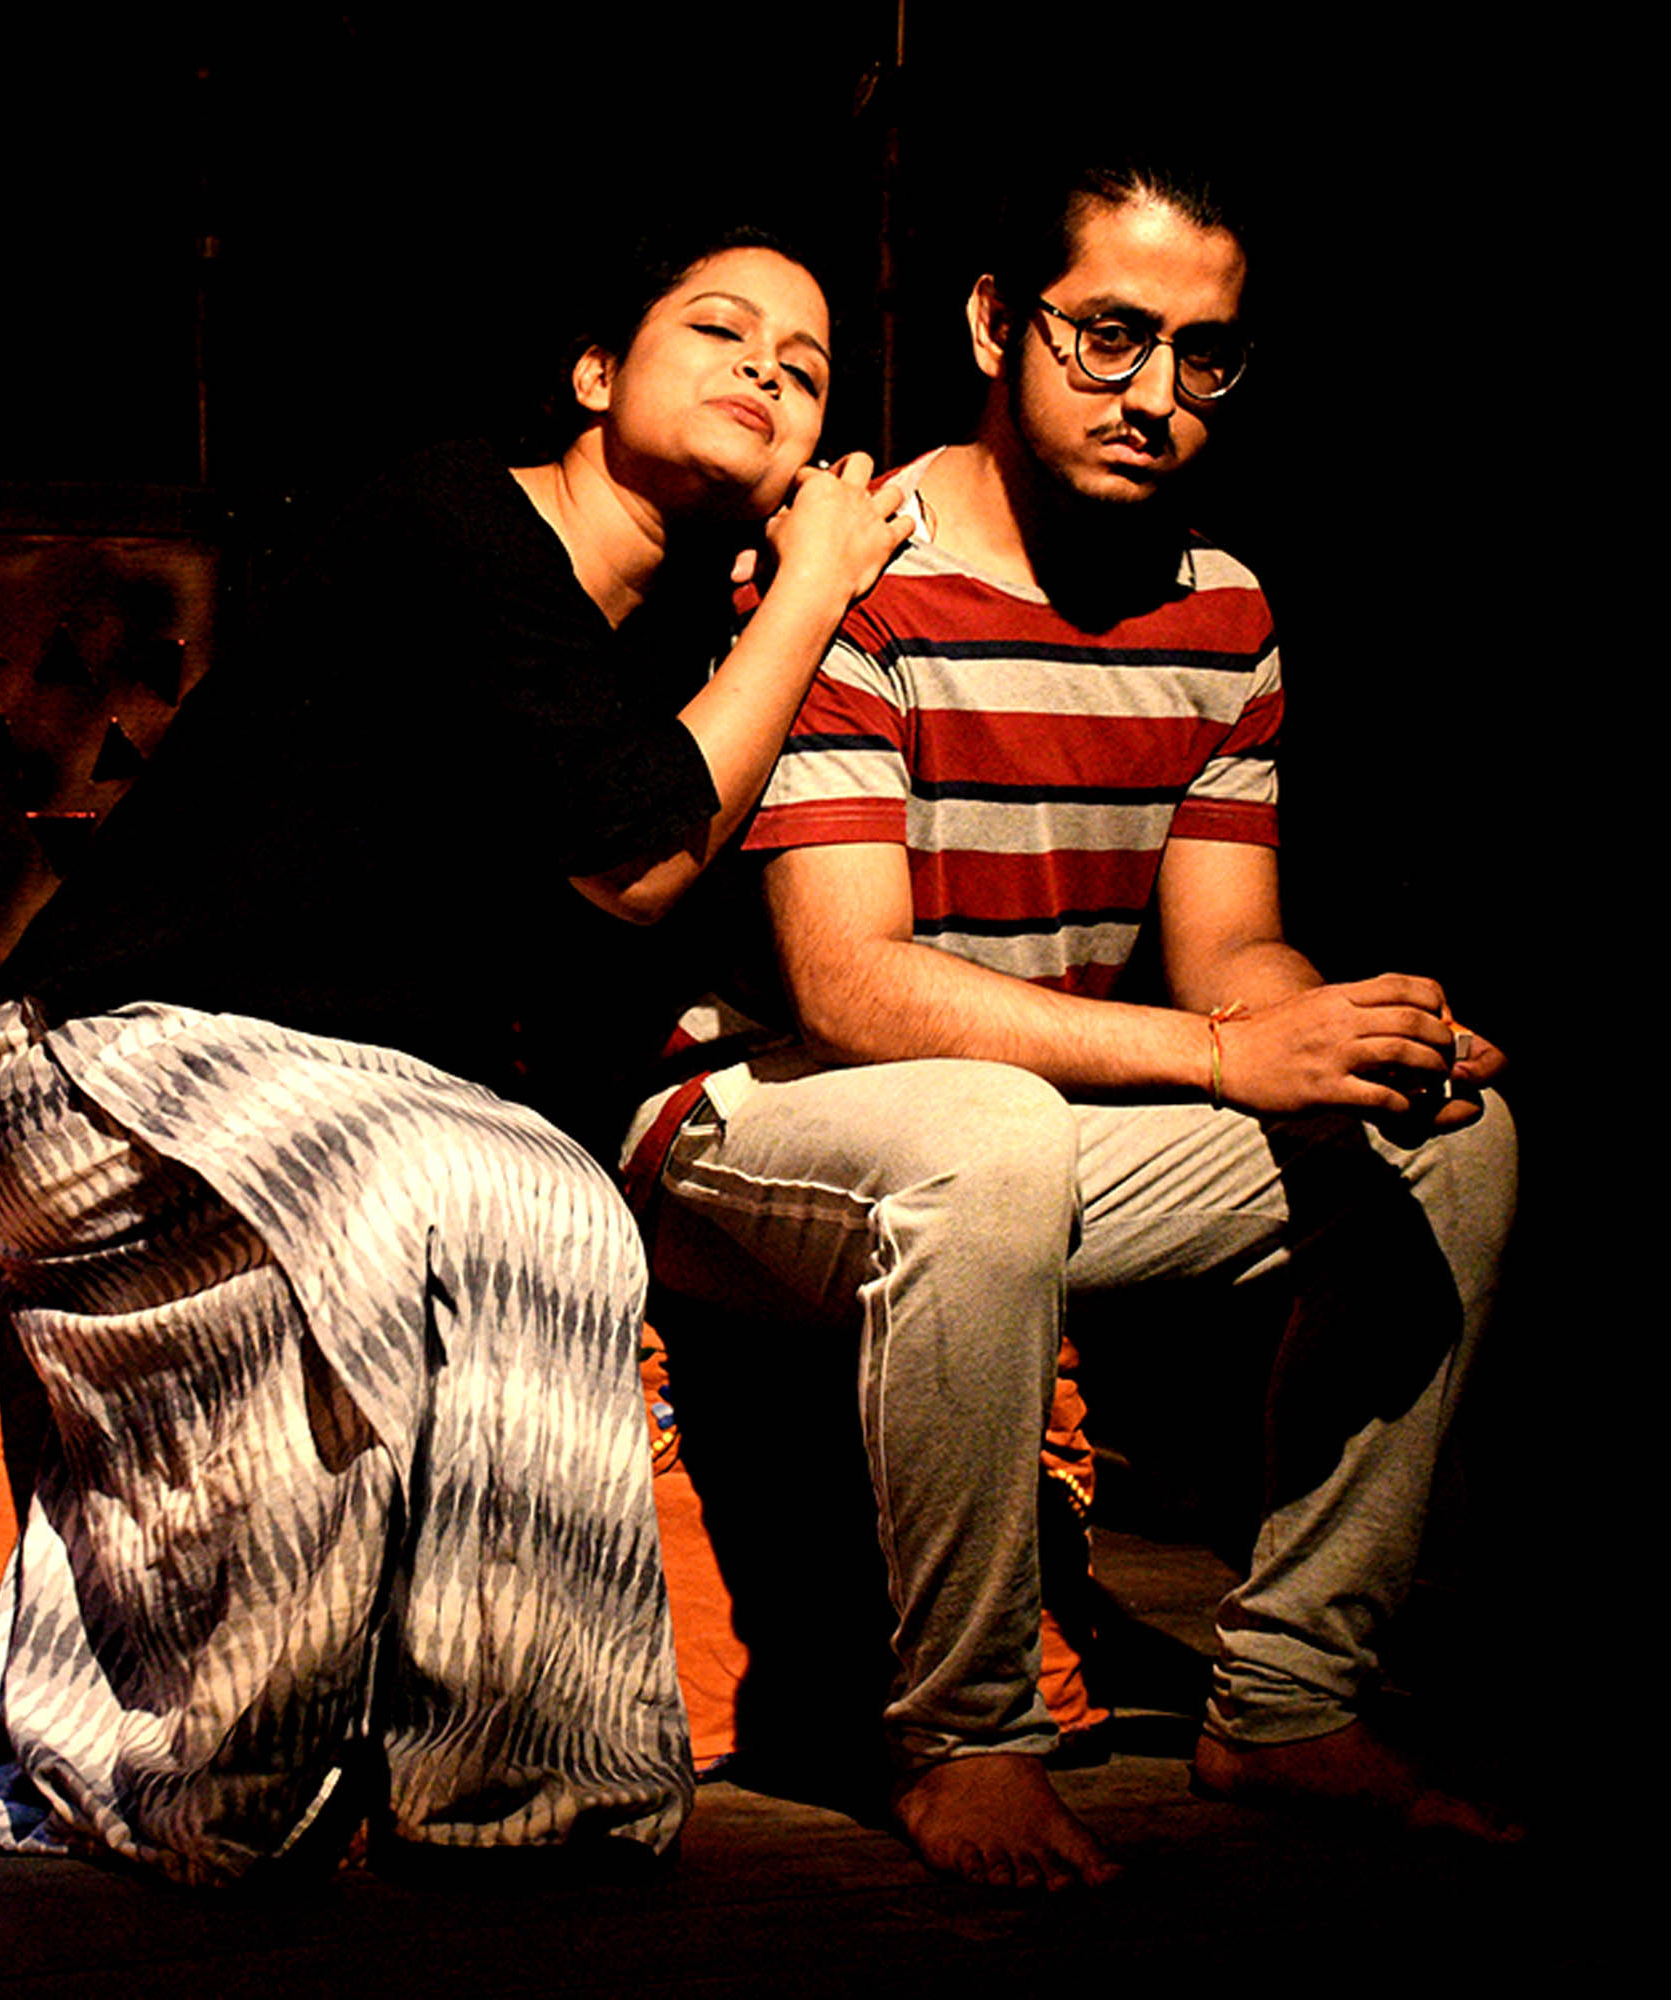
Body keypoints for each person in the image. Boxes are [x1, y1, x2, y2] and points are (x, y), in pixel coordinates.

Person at [0, 227, 912, 1885]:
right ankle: (220, 1773)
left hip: (362, 1105)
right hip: (105, 1067)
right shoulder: (451, 521)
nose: (765, 371)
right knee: (417, 1188)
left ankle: (527, 1801)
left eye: (804, 371)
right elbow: (639, 859)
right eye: (722, 330)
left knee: (550, 1200)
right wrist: (813, 586)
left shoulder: (671, 666)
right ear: (595, 373)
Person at [625, 162, 1519, 1891]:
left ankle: (1289, 1700)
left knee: (1455, 1148)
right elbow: (850, 984)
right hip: (751, 1125)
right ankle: (962, 1734)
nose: (1156, 395)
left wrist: (1337, 1031)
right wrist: (1219, 1057)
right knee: (990, 1134)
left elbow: (1228, 946)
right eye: (1110, 336)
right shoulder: (858, 567)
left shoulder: (1223, 610)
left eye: (1205, 355)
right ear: (994, 324)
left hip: (1025, 1134)